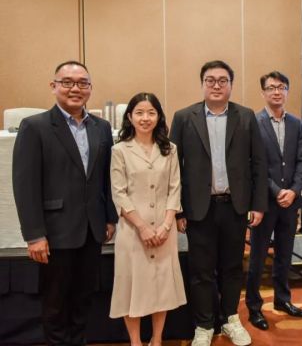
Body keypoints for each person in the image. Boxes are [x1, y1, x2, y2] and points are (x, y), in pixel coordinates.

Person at [12, 61, 117, 345]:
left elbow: (106, 177)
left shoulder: (101, 127)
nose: (75, 89)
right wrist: (34, 235)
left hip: (92, 229)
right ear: (54, 86)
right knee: (55, 304)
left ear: (90, 88)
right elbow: (25, 185)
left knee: (84, 299)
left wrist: (110, 218)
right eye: (67, 82)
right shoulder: (35, 127)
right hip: (55, 231)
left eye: (82, 83)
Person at [170, 60, 268, 346]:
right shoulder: (184, 117)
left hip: (235, 206)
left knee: (232, 266)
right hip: (198, 208)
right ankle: (204, 325)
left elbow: (259, 164)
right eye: (210, 80)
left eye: (222, 80)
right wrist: (178, 210)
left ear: (231, 85)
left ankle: (230, 319)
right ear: (202, 84)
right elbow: (173, 168)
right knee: (201, 270)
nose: (216, 85)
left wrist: (258, 204)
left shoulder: (245, 116)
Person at [109, 92, 186, 346]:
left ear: (159, 116)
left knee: (161, 288)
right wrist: (142, 227)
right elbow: (119, 193)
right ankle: (135, 341)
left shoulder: (170, 149)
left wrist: (166, 225)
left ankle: (157, 339)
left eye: (151, 113)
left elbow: (175, 188)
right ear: (130, 117)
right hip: (133, 230)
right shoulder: (120, 150)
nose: (145, 118)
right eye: (139, 113)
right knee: (131, 287)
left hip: (164, 229)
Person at [246, 71, 302, 330]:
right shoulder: (253, 122)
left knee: (284, 254)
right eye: (271, 87)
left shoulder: (296, 123)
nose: (276, 92)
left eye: (281, 87)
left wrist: (293, 191)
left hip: (290, 202)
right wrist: (276, 191)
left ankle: (283, 300)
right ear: (263, 92)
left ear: (287, 91)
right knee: (258, 257)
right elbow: (252, 164)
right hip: (265, 202)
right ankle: (254, 307)